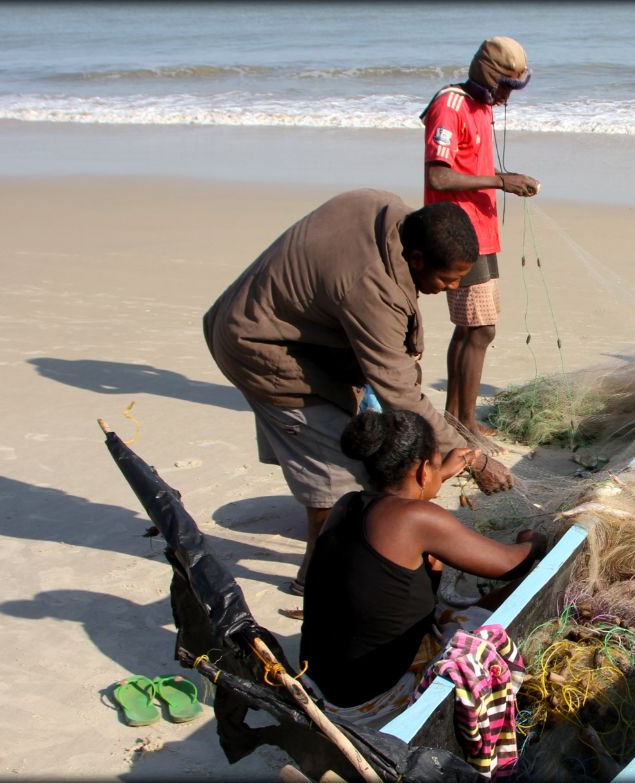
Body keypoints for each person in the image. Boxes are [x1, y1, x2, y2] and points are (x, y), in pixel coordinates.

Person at [203, 189, 515, 598]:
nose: (453, 286)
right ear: (416, 259)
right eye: (447, 278)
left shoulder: (386, 212)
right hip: (258, 348)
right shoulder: (371, 287)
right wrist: (475, 459)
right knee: (337, 480)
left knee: (354, 446)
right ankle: (316, 584)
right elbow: (399, 394)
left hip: (284, 329)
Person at [299, 408, 547, 718]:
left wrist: (439, 473)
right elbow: (513, 564)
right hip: (371, 700)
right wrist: (533, 541)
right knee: (532, 585)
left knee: (440, 576)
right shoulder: (415, 519)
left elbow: (402, 496)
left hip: (319, 682)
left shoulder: (345, 504)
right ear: (421, 471)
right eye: (435, 463)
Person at [421, 36, 540, 438]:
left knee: (472, 328)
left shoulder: (483, 106)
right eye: (505, 85)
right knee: (480, 329)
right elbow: (438, 175)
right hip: (457, 231)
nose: (508, 96)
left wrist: (503, 183)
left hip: (481, 231)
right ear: (489, 76)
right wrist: (502, 181)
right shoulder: (450, 105)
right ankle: (463, 423)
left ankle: (456, 418)